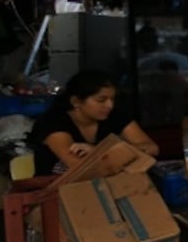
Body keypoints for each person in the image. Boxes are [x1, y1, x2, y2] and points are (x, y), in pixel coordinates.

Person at [30, 70, 158, 175]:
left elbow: (152, 148)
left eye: (112, 99)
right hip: (56, 193)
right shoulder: (52, 123)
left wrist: (102, 151)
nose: (109, 105)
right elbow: (80, 167)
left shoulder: (115, 116)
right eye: (101, 100)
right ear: (76, 102)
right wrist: (122, 154)